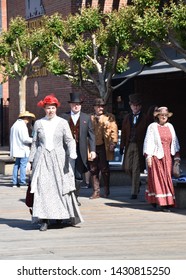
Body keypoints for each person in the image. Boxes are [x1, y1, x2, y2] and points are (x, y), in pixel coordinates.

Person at [27, 94, 84, 231]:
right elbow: (35, 143)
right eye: (48, 108)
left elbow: (69, 140)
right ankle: (44, 220)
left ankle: (59, 218)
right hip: (42, 159)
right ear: (44, 109)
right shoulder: (39, 124)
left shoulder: (62, 123)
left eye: (52, 108)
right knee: (43, 189)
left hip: (59, 159)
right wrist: (30, 161)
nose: (50, 110)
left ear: (56, 108)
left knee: (59, 188)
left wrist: (72, 151)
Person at [61, 92, 96, 205]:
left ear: (81, 105)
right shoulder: (63, 117)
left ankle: (75, 197)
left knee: (79, 175)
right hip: (66, 151)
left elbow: (91, 135)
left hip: (80, 151)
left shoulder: (86, 118)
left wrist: (93, 150)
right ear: (70, 105)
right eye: (74, 104)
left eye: (78, 104)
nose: (76, 106)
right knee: (66, 173)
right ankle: (66, 196)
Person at [143, 106, 180, 212]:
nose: (164, 117)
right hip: (156, 156)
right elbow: (148, 142)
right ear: (158, 116)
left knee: (167, 178)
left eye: (165, 115)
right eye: (161, 115)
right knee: (158, 179)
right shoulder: (152, 127)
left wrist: (177, 157)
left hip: (167, 156)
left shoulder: (170, 127)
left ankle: (164, 201)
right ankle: (163, 204)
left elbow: (175, 143)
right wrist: (149, 156)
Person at [89, 98, 118, 199]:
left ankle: (106, 189)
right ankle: (96, 191)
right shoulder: (90, 118)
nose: (100, 108)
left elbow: (114, 130)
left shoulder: (109, 117)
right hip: (92, 147)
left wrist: (113, 142)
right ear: (94, 107)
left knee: (104, 169)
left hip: (104, 146)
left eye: (102, 106)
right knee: (93, 169)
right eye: (98, 106)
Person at [120, 94, 147, 199]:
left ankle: (134, 192)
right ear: (130, 106)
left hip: (139, 146)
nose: (135, 107)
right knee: (127, 167)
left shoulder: (144, 118)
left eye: (137, 105)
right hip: (129, 144)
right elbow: (124, 133)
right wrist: (122, 146)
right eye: (133, 105)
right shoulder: (127, 117)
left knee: (136, 168)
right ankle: (138, 182)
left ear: (140, 106)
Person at [10, 111, 36, 188]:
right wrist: (34, 140)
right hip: (22, 149)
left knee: (16, 165)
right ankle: (22, 182)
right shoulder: (22, 126)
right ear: (26, 118)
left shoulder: (14, 125)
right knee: (23, 165)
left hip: (16, 149)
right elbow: (25, 139)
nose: (28, 121)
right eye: (28, 119)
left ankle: (14, 182)